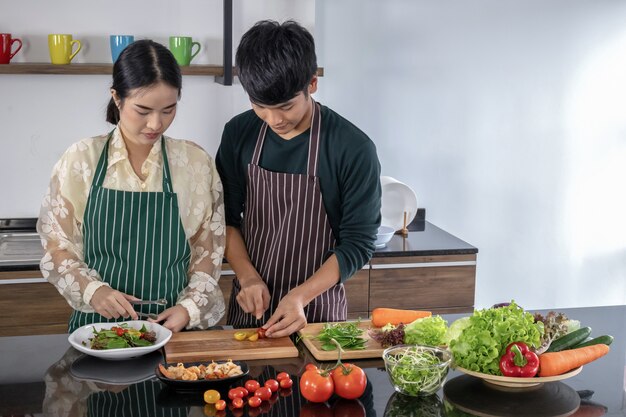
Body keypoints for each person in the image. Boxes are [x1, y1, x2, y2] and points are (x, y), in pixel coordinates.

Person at [37, 39, 225, 333]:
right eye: (143, 110)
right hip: (96, 332)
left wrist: (188, 309)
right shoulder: (81, 160)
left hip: (172, 334)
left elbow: (206, 252)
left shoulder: (195, 163)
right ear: (117, 97)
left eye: (168, 110)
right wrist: (92, 291)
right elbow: (57, 247)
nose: (155, 124)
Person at [216, 20, 381, 338]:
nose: (274, 119)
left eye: (285, 106)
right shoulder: (239, 133)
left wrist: (299, 296)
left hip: (318, 315)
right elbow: (224, 218)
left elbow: (358, 244)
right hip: (252, 311)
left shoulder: (352, 147)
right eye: (259, 106)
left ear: (313, 83)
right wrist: (247, 277)